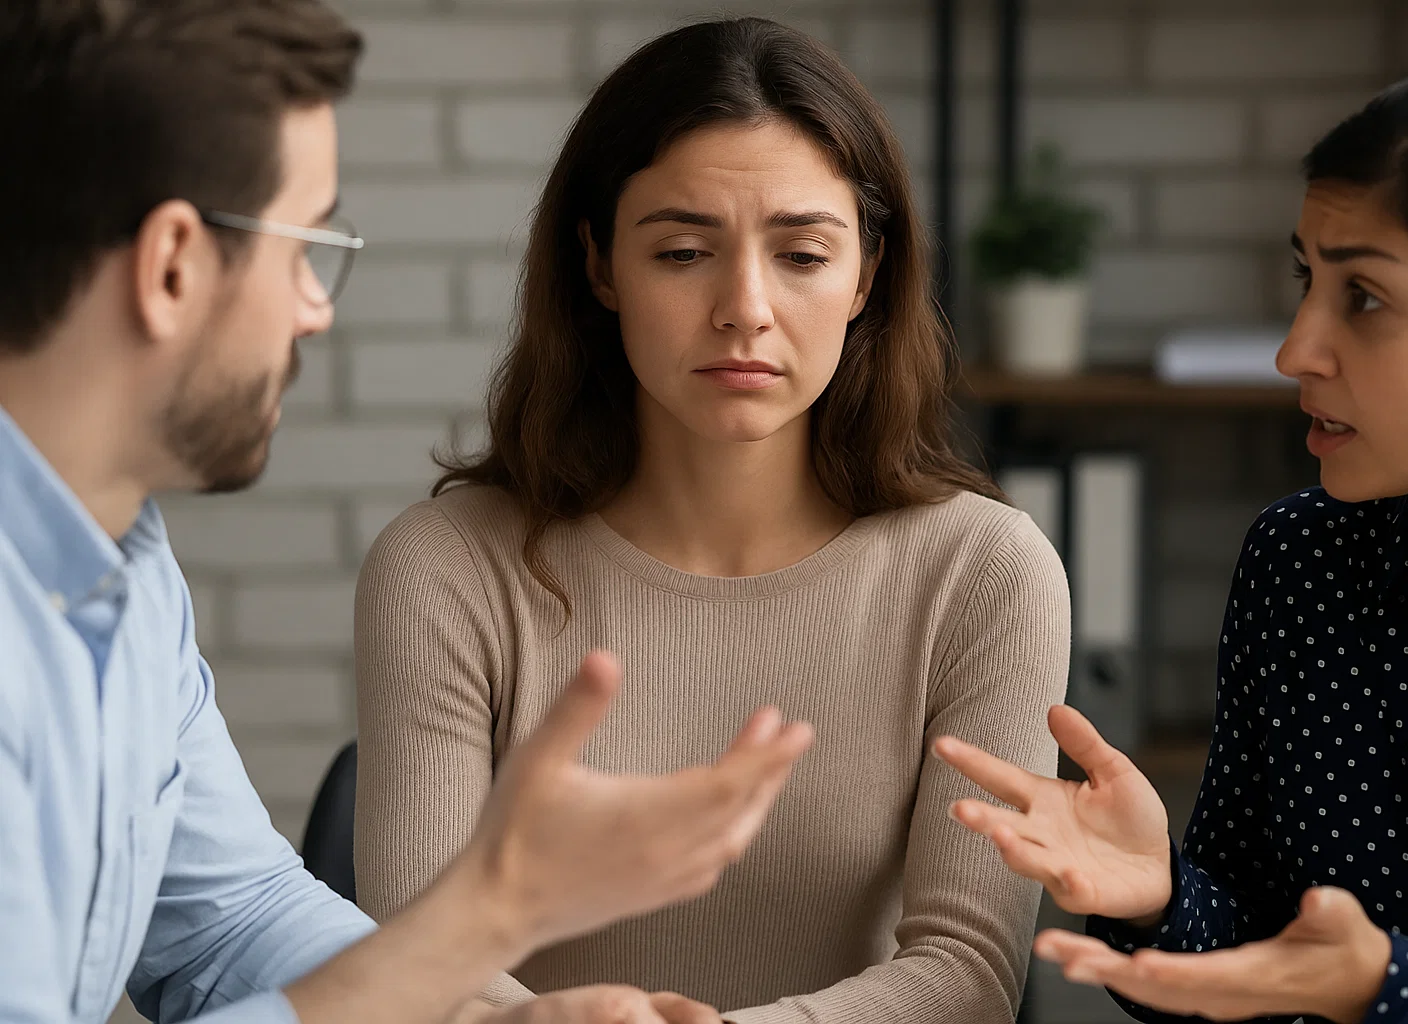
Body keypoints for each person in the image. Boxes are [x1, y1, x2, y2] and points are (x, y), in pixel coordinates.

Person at [0, 2, 816, 1022]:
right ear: (172, 265)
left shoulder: (123, 560)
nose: (317, 306)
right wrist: (495, 909)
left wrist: (498, 1018)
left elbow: (233, 918)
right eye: (303, 247)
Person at [352, 16, 1071, 1024]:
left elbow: (968, 969)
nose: (745, 307)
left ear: (866, 273)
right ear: (600, 266)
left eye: (802, 255)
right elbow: (415, 970)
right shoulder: (446, 567)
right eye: (684, 251)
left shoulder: (985, 571)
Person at [932, 58, 1408, 1024]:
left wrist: (1386, 989)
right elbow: (1251, 967)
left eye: (1365, 299)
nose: (1297, 348)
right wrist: (1160, 898)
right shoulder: (1299, 563)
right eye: (1309, 279)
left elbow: (1332, 980)